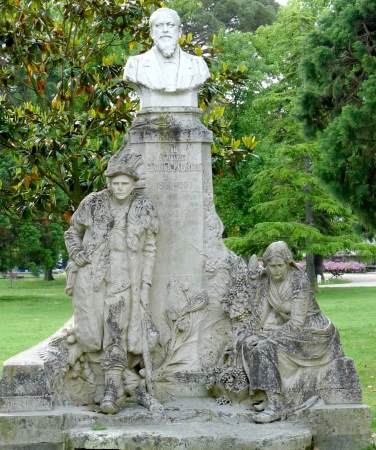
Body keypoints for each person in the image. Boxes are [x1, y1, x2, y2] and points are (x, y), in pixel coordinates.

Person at [64, 153, 158, 414]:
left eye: (125, 184)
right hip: (91, 277)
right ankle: (119, 382)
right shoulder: (93, 203)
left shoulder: (143, 208)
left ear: (133, 184)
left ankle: (111, 388)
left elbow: (150, 249)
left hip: (124, 280)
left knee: (116, 332)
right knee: (90, 335)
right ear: (109, 183)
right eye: (115, 183)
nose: (119, 188)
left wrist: (146, 285)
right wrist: (77, 253)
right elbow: (72, 231)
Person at [238, 241, 346, 423]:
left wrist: (268, 336)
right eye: (271, 266)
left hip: (314, 332)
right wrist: (247, 332)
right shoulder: (267, 279)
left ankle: (276, 406)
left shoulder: (299, 281)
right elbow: (260, 314)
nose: (276, 270)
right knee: (249, 343)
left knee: (264, 347)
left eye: (280, 266)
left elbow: (297, 323)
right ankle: (266, 395)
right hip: (291, 329)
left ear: (288, 263)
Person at [124, 8, 210, 93]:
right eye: (159, 25)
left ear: (179, 31)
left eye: (170, 25)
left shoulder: (198, 65)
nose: (165, 30)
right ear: (151, 32)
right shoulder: (135, 64)